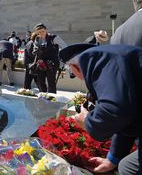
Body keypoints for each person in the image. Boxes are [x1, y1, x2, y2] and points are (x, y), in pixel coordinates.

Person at [59, 43, 142, 174]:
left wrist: (87, 121)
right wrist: (112, 159)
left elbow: (115, 110)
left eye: (72, 73)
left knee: (128, 168)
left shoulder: (92, 59)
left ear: (74, 67)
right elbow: (127, 120)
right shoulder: (108, 56)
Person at [29, 23, 67, 93]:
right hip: (41, 63)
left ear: (46, 30)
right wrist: (36, 50)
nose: (41, 33)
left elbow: (65, 47)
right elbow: (34, 50)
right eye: (39, 32)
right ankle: (43, 97)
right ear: (37, 33)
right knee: (40, 81)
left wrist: (62, 61)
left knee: (51, 82)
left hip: (52, 63)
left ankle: (51, 98)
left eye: (43, 31)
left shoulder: (54, 38)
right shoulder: (37, 39)